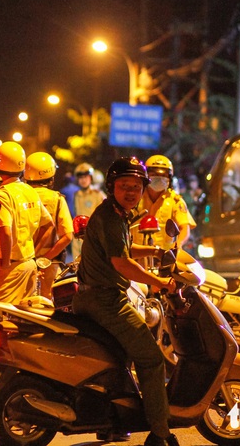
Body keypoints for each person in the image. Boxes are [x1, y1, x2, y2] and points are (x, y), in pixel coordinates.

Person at [72, 156, 179, 446]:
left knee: (119, 357)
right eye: (124, 186)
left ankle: (114, 422)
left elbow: (125, 247)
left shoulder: (116, 213)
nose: (131, 191)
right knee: (152, 359)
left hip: (92, 295)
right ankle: (160, 433)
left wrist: (156, 251)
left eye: (136, 186)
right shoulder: (110, 216)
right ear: (112, 187)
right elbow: (122, 263)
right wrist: (160, 283)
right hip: (106, 300)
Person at [0, 142, 53, 317]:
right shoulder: (30, 191)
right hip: (29, 263)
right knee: (22, 318)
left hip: (11, 265)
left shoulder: (3, 195)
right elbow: (49, 225)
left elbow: (6, 231)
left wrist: (6, 263)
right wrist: (36, 253)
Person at [25, 152, 73, 298]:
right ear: (51, 175)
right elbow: (67, 236)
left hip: (23, 262)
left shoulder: (20, 197)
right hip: (49, 264)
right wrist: (45, 258)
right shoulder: (57, 199)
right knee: (47, 307)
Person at [131, 155, 196, 251]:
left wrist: (178, 244)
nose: (158, 178)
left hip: (164, 257)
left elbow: (185, 228)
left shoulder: (175, 201)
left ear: (170, 178)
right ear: (146, 176)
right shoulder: (135, 198)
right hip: (137, 255)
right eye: (154, 174)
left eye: (163, 175)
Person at [72, 162, 106, 259]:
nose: (83, 180)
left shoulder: (98, 194)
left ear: (91, 178)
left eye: (86, 177)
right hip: (79, 234)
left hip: (94, 233)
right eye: (80, 178)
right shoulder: (76, 195)